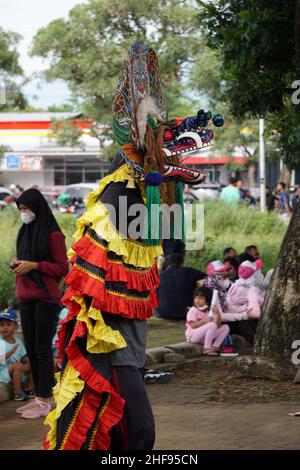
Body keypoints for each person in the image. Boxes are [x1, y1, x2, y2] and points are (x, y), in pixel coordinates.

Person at [10, 188, 68, 419]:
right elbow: (26, 259)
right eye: (21, 209)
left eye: (26, 209)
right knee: (32, 348)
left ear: (37, 208)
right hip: (26, 295)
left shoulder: (53, 235)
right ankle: (38, 397)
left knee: (43, 348)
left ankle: (45, 399)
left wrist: (35, 265)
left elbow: (63, 268)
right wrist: (18, 264)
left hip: (46, 298)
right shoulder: (25, 232)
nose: (24, 213)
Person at [157, 240, 206, 320]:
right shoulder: (191, 272)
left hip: (164, 313)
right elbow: (208, 278)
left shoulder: (160, 276)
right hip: (186, 313)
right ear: (183, 258)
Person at [226, 260, 263, 344]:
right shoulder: (245, 289)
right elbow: (262, 301)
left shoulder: (237, 284)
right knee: (247, 320)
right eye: (258, 273)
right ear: (253, 275)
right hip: (235, 321)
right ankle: (256, 342)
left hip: (237, 315)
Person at [185, 286, 229, 356]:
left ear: (207, 300)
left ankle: (214, 347)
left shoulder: (211, 311)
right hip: (193, 336)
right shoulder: (193, 310)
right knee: (212, 325)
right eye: (196, 297)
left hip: (206, 337)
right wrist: (204, 321)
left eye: (201, 298)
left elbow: (217, 326)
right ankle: (207, 348)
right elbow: (193, 326)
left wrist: (218, 314)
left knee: (225, 327)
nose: (197, 300)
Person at [0, 308, 33, 401]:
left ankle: (29, 389)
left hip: (17, 370)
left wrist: (27, 361)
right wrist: (10, 352)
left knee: (33, 363)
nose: (5, 327)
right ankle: (17, 392)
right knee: (17, 365)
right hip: (3, 372)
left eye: (8, 324)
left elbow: (23, 357)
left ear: (16, 327)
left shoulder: (18, 341)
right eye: (1, 325)